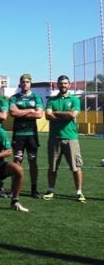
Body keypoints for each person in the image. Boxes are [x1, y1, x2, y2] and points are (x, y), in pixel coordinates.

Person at [43, 75, 85, 203]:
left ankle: (79, 192)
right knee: (53, 167)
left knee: (76, 167)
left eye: (65, 83)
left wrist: (56, 113)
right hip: (54, 138)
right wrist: (65, 115)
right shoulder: (52, 100)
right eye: (61, 83)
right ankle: (51, 190)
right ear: (57, 85)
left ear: (69, 84)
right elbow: (47, 115)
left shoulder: (75, 99)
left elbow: (73, 115)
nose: (63, 86)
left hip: (71, 138)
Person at [9, 74, 44, 198]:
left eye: (27, 82)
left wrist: (21, 112)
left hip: (32, 136)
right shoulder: (14, 98)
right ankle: (14, 189)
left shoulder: (37, 97)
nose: (25, 84)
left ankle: (34, 190)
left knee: (33, 162)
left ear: (31, 84)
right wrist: (30, 111)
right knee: (17, 161)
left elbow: (39, 115)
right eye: (23, 82)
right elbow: (13, 112)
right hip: (18, 135)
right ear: (20, 83)